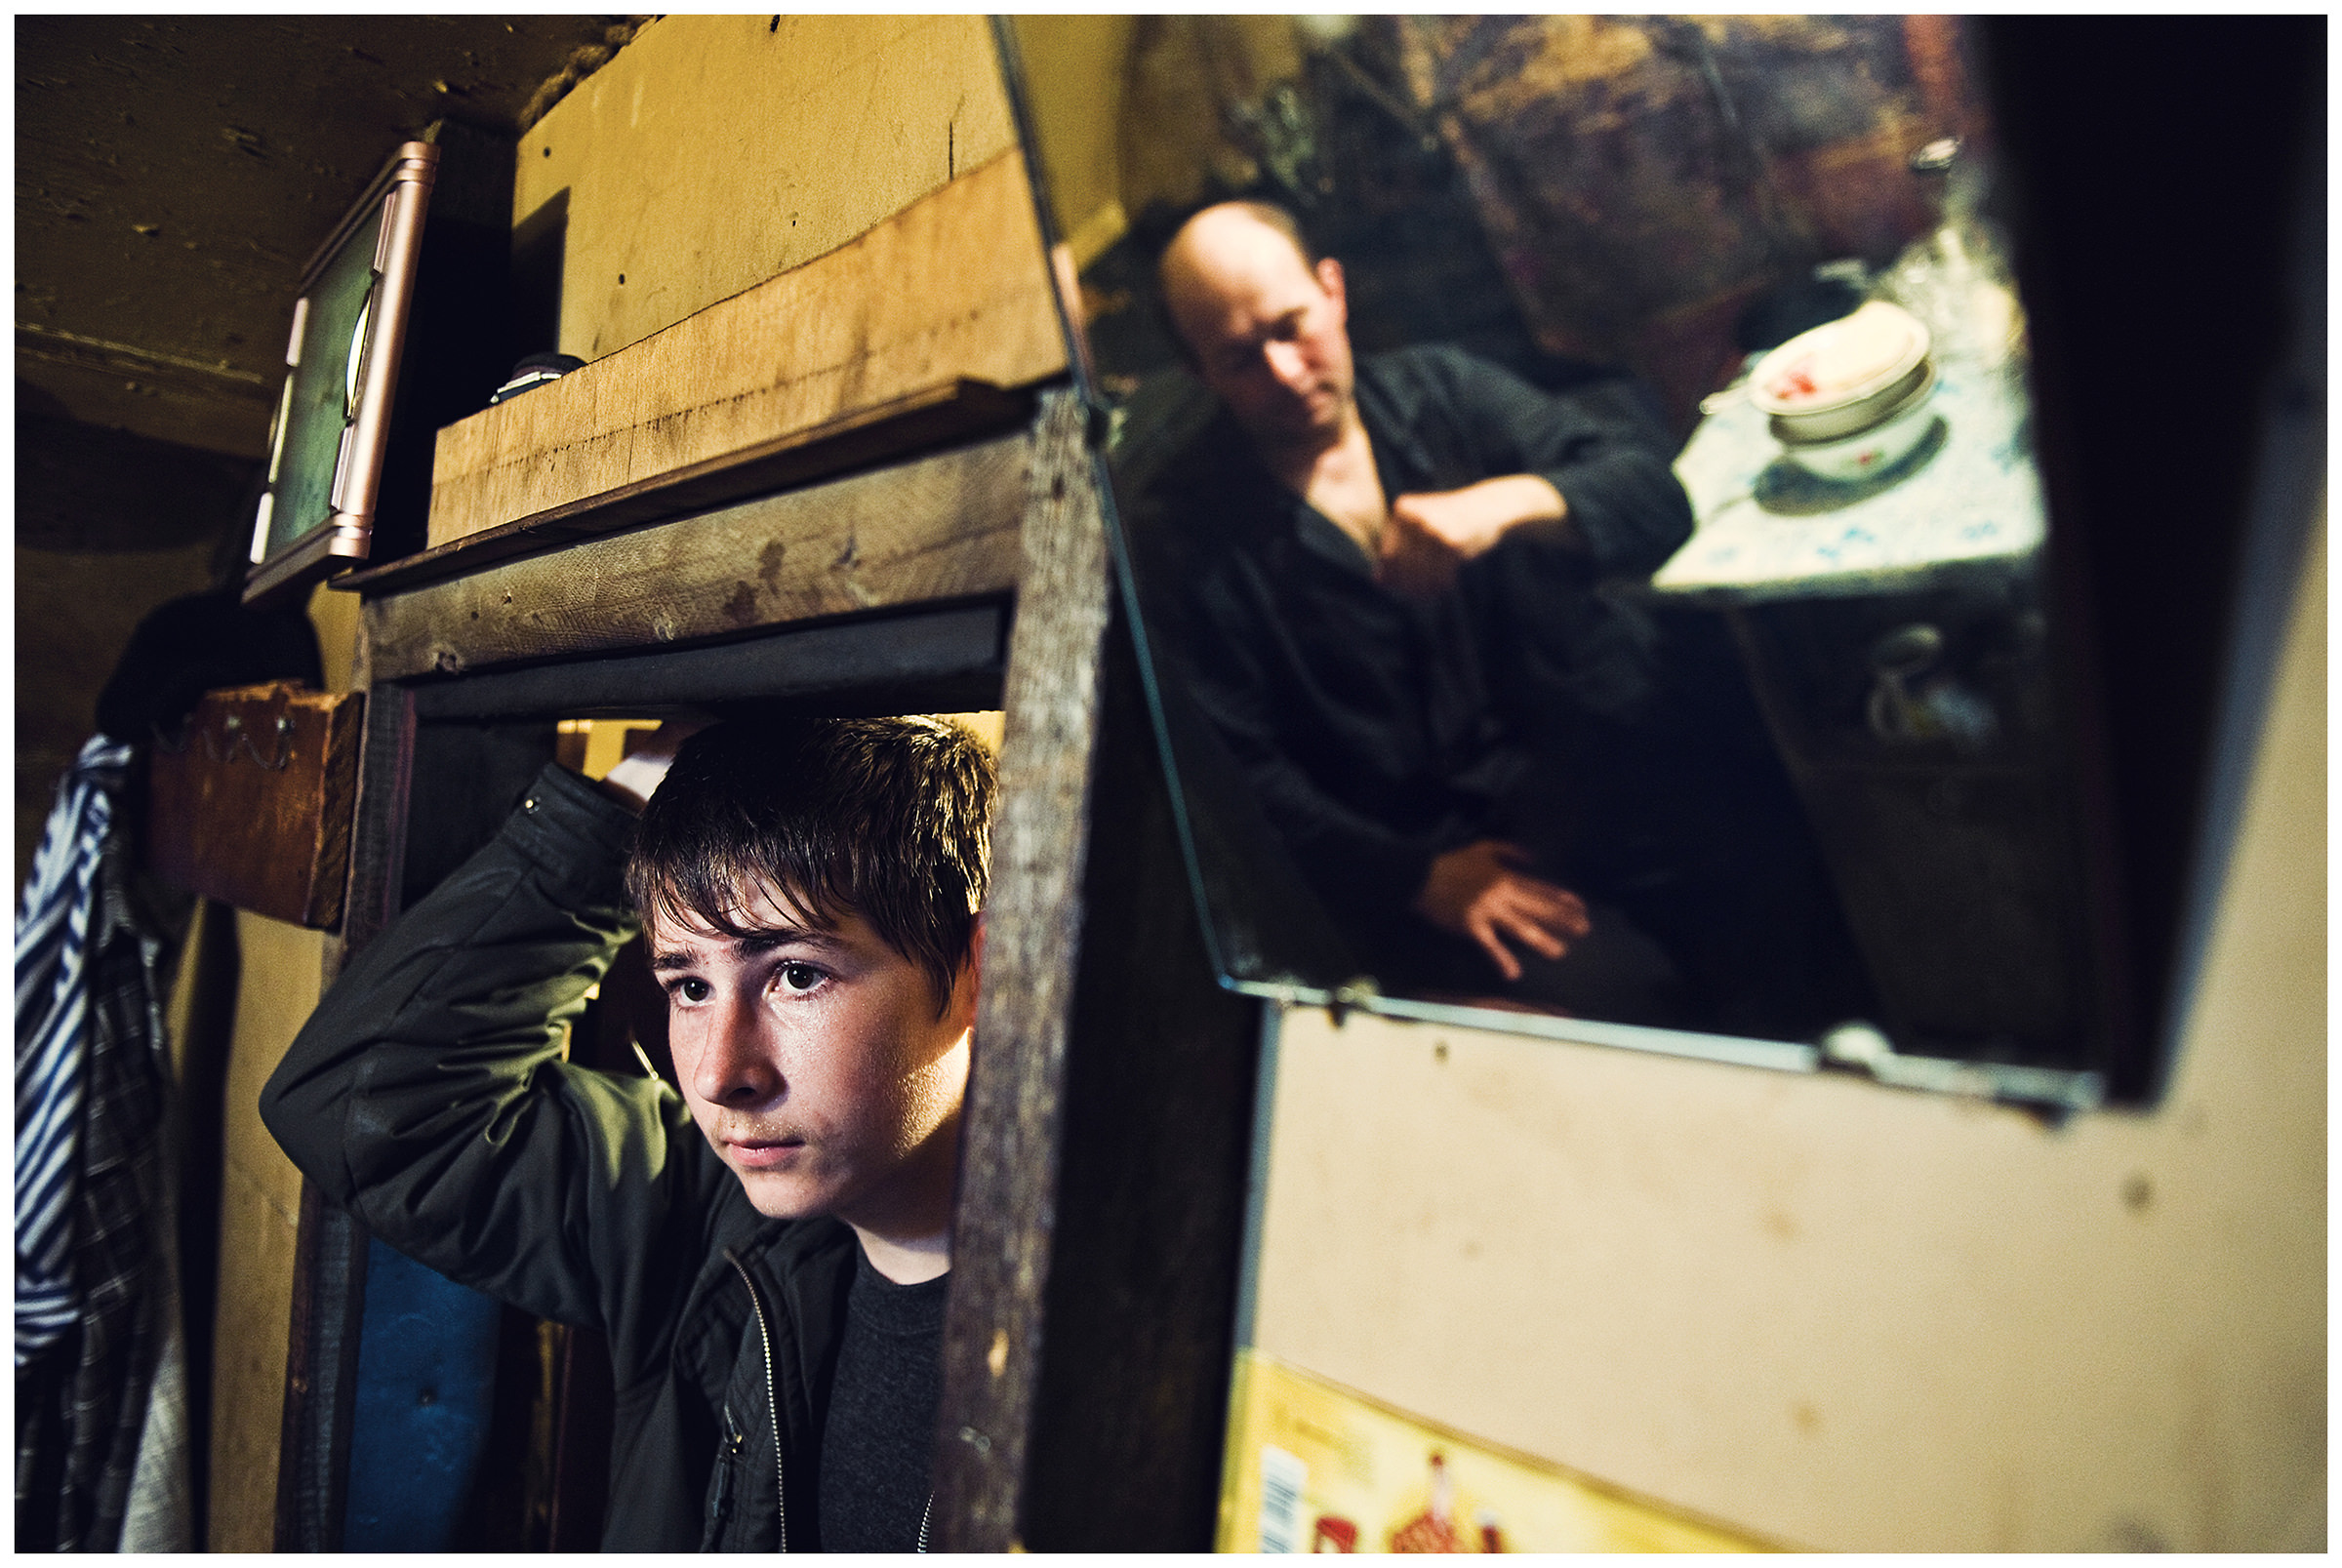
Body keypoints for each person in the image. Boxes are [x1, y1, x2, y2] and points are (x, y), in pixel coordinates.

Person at [259, 716, 992, 1551]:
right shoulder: (699, 1220)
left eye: (795, 974)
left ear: (980, 966)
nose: (721, 1073)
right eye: (688, 985)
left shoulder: (1104, 1335)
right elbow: (357, 1104)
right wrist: (611, 811)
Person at [1137, 200, 1849, 1032]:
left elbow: (1656, 498)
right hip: (1443, 856)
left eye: (1291, 326)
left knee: (1791, 869)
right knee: (1634, 999)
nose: (1286, 373)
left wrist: (1509, 504)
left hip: (1590, 775)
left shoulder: (1441, 392)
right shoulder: (1186, 534)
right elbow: (1242, 776)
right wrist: (1415, 878)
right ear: (1200, 376)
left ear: (1332, 292)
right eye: (1240, 359)